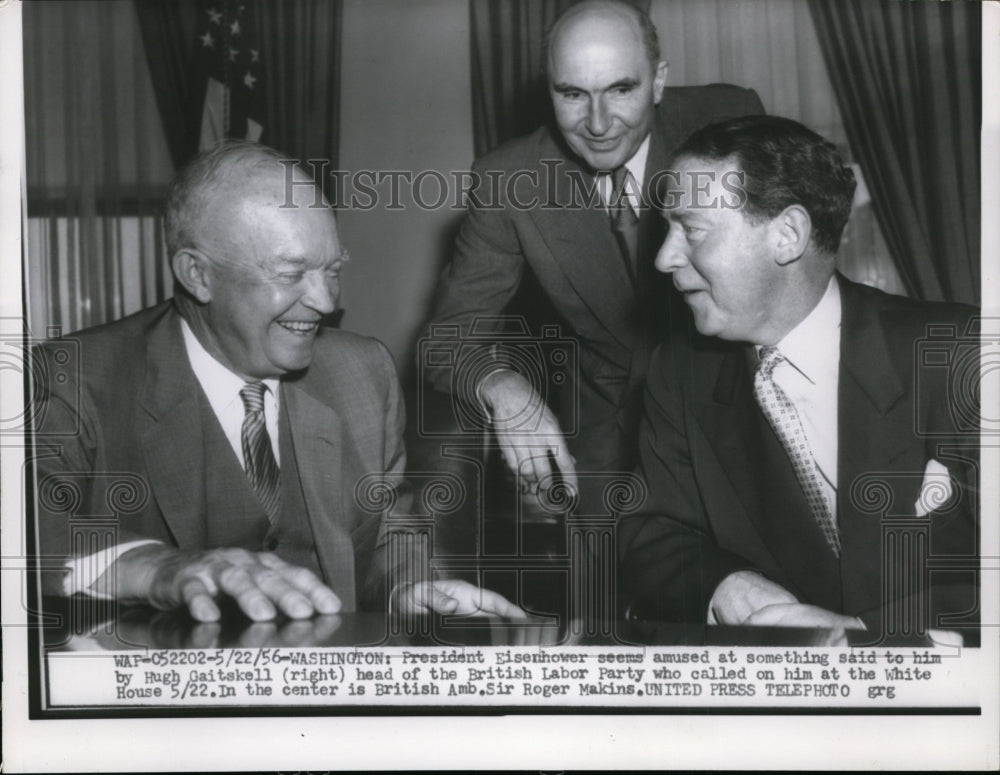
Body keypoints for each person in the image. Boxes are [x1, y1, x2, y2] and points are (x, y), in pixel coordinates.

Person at [32, 141, 522, 623]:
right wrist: (159, 566)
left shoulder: (363, 372)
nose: (326, 303)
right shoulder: (71, 380)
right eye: (292, 274)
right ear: (197, 274)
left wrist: (409, 590)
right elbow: (27, 535)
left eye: (332, 271)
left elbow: (386, 541)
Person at [618, 115, 979, 633]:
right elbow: (649, 529)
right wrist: (724, 582)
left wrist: (863, 637)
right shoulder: (680, 374)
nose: (663, 258)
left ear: (787, 235)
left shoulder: (957, 354)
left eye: (690, 229)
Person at [419, 0, 763, 504]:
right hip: (609, 437)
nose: (598, 123)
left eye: (621, 89)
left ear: (659, 80)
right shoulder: (509, 178)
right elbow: (446, 341)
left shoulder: (731, 121)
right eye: (573, 94)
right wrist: (501, 385)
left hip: (742, 406)